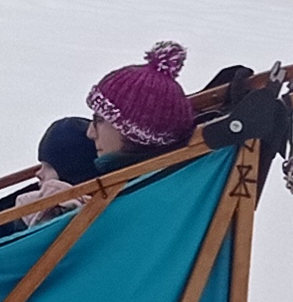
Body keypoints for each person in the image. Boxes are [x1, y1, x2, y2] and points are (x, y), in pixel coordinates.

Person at [28, 40, 198, 198]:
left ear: (134, 132)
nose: (90, 133)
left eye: (99, 121)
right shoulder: (152, 180)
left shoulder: (133, 193)